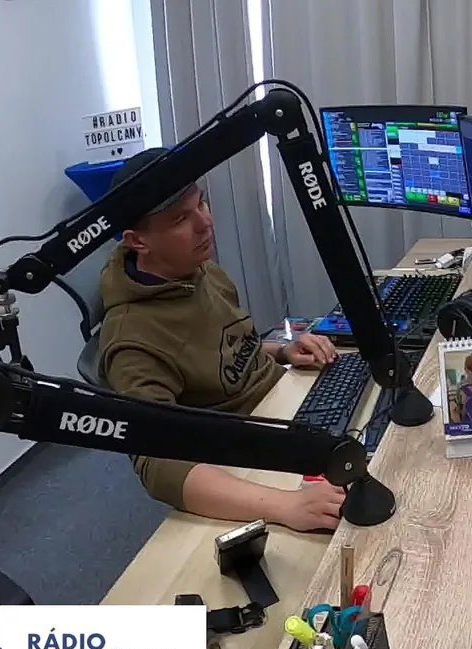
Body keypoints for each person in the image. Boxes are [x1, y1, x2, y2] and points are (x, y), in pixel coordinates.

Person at [98, 148, 347, 531]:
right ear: (138, 241)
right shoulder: (132, 342)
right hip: (251, 464)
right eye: (181, 219)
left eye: (202, 203)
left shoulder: (199, 270)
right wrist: (286, 506)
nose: (205, 223)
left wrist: (282, 350)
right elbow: (157, 465)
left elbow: (224, 352)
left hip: (287, 409)